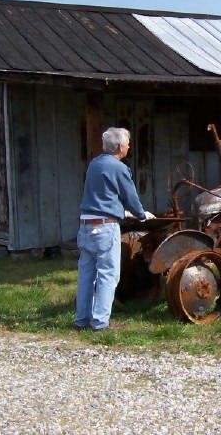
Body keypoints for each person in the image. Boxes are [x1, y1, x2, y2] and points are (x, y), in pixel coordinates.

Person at [74, 127, 155, 331]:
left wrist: (120, 211)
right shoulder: (118, 167)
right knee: (108, 274)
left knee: (86, 275)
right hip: (104, 228)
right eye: (127, 143)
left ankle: (82, 320)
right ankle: (100, 323)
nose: (129, 146)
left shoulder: (94, 163)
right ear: (120, 146)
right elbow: (131, 197)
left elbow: (102, 195)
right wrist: (141, 214)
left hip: (85, 225)